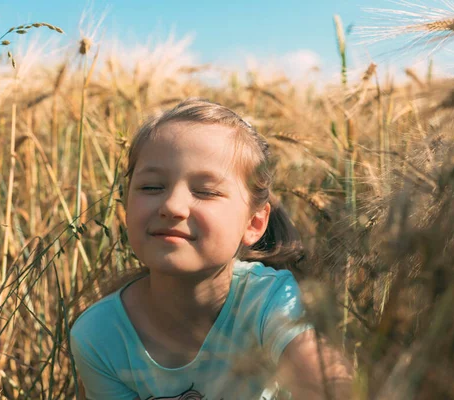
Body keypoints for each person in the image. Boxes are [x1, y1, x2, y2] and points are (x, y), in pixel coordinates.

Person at [70, 99, 353, 399]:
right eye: (152, 187)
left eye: (205, 191)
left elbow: (331, 387)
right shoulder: (99, 335)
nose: (172, 206)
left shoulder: (268, 301)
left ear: (254, 224)